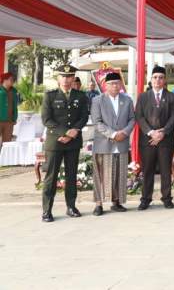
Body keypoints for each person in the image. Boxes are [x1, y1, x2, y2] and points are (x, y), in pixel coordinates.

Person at [40, 65, 89, 222]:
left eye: (70, 76)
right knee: (51, 177)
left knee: (71, 175)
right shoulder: (50, 96)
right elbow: (47, 119)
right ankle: (47, 210)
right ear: (58, 78)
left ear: (74, 78)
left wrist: (75, 130)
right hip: (55, 142)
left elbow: (84, 116)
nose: (67, 80)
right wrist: (64, 132)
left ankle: (71, 206)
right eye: (63, 76)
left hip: (73, 142)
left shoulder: (80, 96)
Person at [90, 72, 135, 215]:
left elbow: (132, 119)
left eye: (117, 83)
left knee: (120, 174)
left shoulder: (127, 100)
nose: (115, 86)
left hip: (121, 143)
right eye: (112, 83)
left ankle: (116, 202)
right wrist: (114, 134)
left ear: (121, 84)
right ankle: (99, 204)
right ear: (105, 85)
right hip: (104, 143)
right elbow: (97, 122)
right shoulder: (98, 100)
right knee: (100, 174)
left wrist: (125, 132)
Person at [134, 66, 174, 210]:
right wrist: (151, 132)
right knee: (147, 170)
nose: (157, 80)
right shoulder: (143, 97)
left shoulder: (171, 97)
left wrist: (162, 132)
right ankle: (145, 199)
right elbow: (139, 117)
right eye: (155, 77)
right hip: (147, 140)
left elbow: (173, 117)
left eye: (160, 77)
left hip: (165, 140)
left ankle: (167, 198)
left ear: (164, 80)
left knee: (166, 170)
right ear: (151, 79)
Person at [0, 72, 18, 151]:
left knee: (7, 143)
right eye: (11, 80)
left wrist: (14, 118)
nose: (13, 81)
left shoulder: (14, 91)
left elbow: (15, 106)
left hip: (9, 121)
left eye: (13, 80)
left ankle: (5, 160)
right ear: (4, 80)